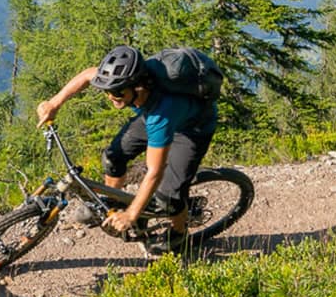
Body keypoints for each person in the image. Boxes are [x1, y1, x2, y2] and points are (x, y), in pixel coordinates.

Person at [35, 45, 219, 248]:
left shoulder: (161, 115)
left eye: (118, 93)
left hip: (192, 131)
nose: (112, 97)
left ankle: (179, 232)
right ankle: (110, 203)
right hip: (149, 115)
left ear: (138, 86)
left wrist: (131, 214)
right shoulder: (124, 82)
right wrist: (54, 103)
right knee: (113, 156)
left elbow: (154, 172)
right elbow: (88, 75)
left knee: (169, 197)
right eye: (108, 91)